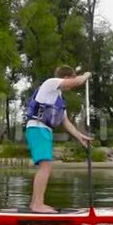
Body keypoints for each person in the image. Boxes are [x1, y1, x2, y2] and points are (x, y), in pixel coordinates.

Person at [25, 65, 92, 213]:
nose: (72, 84)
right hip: (37, 127)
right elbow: (79, 82)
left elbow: (65, 122)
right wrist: (86, 75)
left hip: (44, 130)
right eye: (72, 79)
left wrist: (79, 136)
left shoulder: (59, 98)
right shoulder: (51, 83)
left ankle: (35, 204)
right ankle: (37, 205)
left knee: (45, 166)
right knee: (45, 166)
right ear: (66, 78)